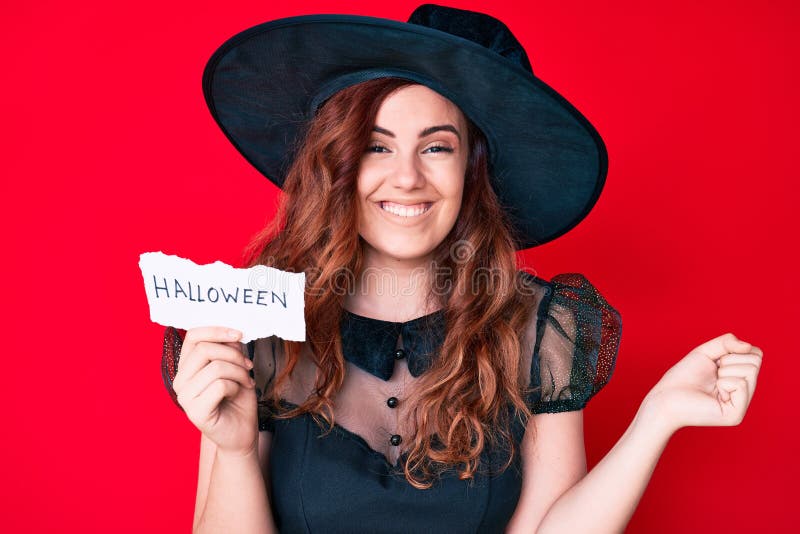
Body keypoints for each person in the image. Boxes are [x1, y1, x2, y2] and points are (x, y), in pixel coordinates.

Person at [159, 5, 763, 533]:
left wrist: (655, 421)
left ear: (472, 174)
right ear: (337, 164)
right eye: (377, 144)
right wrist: (233, 451)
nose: (407, 177)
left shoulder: (539, 327)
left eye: (436, 146)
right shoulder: (252, 329)